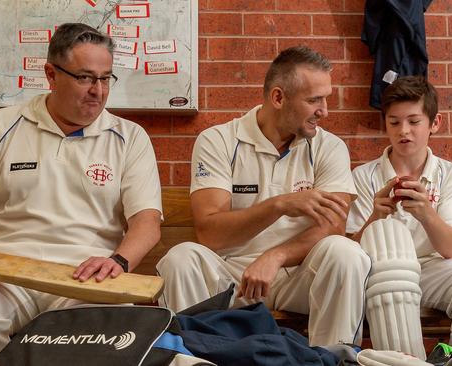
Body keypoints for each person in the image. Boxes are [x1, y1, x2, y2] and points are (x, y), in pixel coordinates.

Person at [0, 23, 162, 366]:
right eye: (85, 77)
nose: (98, 91)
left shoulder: (129, 137)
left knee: (117, 325)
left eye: (106, 78)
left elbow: (147, 222)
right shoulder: (2, 125)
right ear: (51, 74)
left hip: (86, 279)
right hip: (3, 274)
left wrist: (117, 261)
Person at [156, 46, 371, 347]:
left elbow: (333, 226)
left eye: (326, 98)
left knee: (346, 252)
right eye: (314, 100)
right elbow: (210, 234)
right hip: (233, 275)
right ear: (278, 97)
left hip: (299, 275)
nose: (325, 111)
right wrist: (279, 205)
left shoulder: (329, 147)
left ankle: (331, 358)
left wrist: (276, 256)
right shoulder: (218, 140)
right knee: (181, 258)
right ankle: (195, 358)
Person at [345, 76, 452, 359]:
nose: (404, 131)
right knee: (394, 265)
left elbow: (449, 249)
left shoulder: (450, 174)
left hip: (433, 268)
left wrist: (426, 213)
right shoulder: (364, 176)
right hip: (381, 273)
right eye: (394, 121)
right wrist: (376, 215)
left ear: (434, 123)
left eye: (414, 121)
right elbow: (353, 251)